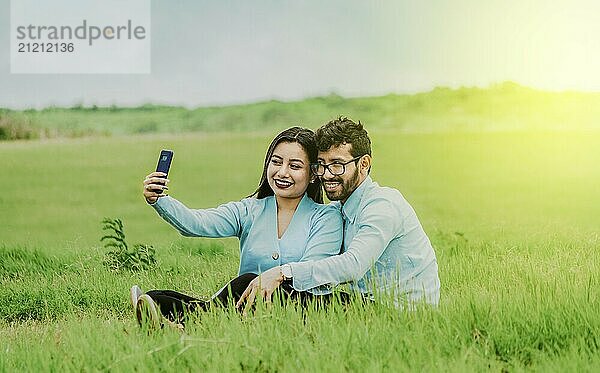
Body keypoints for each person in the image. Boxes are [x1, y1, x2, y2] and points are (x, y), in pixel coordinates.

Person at [132, 126, 343, 328]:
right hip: (247, 304)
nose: (282, 172)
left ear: (314, 173)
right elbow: (197, 223)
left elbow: (314, 269)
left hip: (297, 304)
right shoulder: (249, 209)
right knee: (157, 296)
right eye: (276, 162)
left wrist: (275, 276)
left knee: (248, 281)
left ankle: (188, 322)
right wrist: (159, 199)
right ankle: (177, 320)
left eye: (295, 166)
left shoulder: (326, 217)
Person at [237, 117, 440, 311]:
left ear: (364, 164)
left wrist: (283, 272)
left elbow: (354, 265)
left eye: (337, 164)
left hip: (399, 312)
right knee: (258, 284)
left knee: (277, 290)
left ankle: (209, 313)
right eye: (322, 164)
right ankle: (211, 312)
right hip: (365, 304)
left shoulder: (382, 205)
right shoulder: (338, 210)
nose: (326, 174)